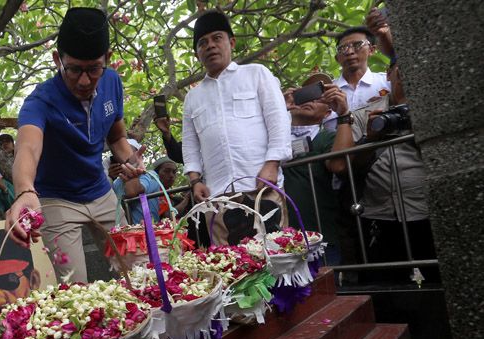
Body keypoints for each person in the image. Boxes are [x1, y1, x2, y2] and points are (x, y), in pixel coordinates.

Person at [5, 7, 142, 282]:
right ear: (58, 59)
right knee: (73, 287)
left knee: (140, 270)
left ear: (108, 60)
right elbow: (28, 148)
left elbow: (116, 138)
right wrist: (24, 191)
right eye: (74, 69)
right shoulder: (40, 101)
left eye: (93, 69)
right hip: (57, 200)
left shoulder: (112, 83)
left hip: (101, 193)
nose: (84, 80)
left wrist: (131, 159)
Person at [182, 11, 291, 243]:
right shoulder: (193, 97)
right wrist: (194, 180)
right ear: (197, 53)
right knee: (230, 267)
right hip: (218, 195)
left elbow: (278, 120)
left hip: (262, 186)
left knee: (276, 256)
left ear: (231, 42)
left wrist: (272, 165)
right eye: (202, 43)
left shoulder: (257, 74)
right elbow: (190, 145)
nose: (210, 46)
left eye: (217, 38)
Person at [328, 58, 436, 283]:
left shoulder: (435, 111)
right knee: (387, 290)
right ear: (389, 73)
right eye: (400, 71)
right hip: (380, 216)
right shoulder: (366, 114)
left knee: (443, 282)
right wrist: (371, 139)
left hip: (428, 211)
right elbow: (340, 166)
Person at [282, 76, 349, 264]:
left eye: (319, 98)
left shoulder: (326, 137)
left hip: (319, 238)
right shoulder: (271, 136)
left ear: (328, 113)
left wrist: (344, 114)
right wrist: (277, 109)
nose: (310, 100)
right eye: (305, 95)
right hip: (279, 240)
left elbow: (339, 165)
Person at [333, 26, 391, 110]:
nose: (350, 52)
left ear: (371, 50)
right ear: (337, 58)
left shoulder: (388, 82)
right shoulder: (327, 92)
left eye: (357, 45)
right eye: (342, 48)